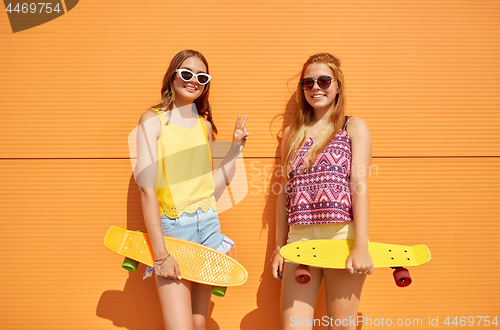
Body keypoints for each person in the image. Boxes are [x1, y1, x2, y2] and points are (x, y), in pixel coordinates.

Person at [133, 49, 249, 330]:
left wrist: (234, 149)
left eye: (201, 76)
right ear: (172, 77)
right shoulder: (152, 121)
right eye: (186, 73)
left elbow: (212, 188)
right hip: (173, 229)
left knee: (199, 325)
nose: (193, 80)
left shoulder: (204, 126)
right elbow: (147, 191)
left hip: (209, 225)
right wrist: (160, 256)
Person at [271, 53, 374, 330]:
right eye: (308, 83)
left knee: (341, 326)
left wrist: (361, 246)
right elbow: (284, 193)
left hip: (341, 237)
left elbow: (359, 186)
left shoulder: (353, 126)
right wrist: (279, 248)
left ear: (337, 85)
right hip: (299, 240)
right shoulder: (292, 133)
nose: (316, 87)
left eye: (324, 80)